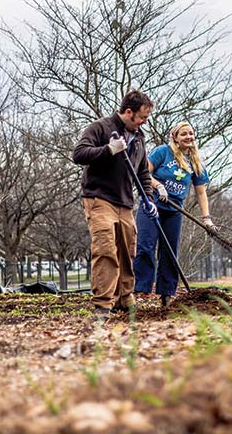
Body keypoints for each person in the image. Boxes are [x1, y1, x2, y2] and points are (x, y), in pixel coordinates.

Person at [72, 89, 156, 318]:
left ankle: (124, 298)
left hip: (125, 202)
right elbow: (79, 154)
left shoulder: (139, 138)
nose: (143, 123)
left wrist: (148, 197)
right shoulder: (101, 127)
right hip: (99, 198)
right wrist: (109, 150)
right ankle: (103, 304)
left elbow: (142, 172)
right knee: (106, 248)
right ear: (128, 112)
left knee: (128, 251)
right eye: (142, 117)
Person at [133, 121, 215, 306]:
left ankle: (167, 293)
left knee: (170, 252)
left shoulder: (195, 163)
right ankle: (139, 290)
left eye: (191, 134)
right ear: (175, 137)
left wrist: (206, 219)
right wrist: (158, 186)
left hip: (174, 210)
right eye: (184, 134)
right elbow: (144, 172)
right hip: (152, 206)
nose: (189, 137)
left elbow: (201, 192)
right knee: (145, 246)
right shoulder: (163, 152)